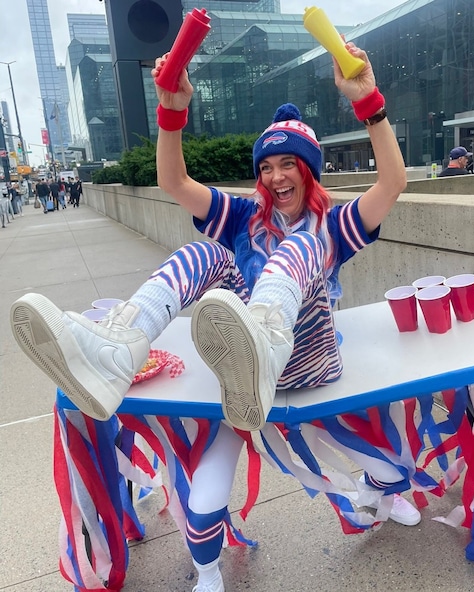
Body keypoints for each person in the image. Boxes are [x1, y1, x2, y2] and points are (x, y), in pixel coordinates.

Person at [11, 43, 418, 591]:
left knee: (300, 251)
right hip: (241, 383)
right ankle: (118, 350)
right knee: (204, 254)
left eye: (289, 165)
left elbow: (392, 183)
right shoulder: (245, 216)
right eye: (267, 167)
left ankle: (271, 350)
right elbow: (175, 183)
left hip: (305, 368)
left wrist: (369, 101)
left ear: (310, 172)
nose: (276, 177)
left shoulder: (332, 225)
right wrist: (171, 112)